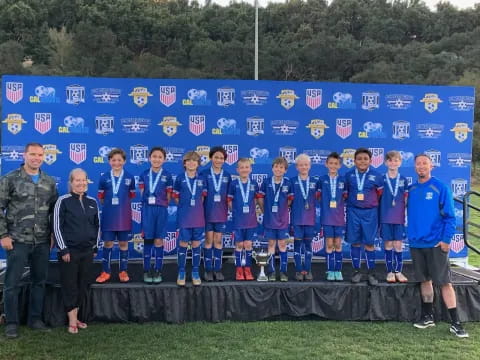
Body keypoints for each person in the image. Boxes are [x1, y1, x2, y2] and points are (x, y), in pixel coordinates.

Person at [0, 142, 58, 339]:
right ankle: (12, 322)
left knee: (39, 282)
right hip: (17, 240)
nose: (36, 158)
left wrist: (51, 235)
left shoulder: (49, 182)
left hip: (42, 241)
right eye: (32, 154)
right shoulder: (10, 179)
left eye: (40, 155)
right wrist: (3, 235)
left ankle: (35, 319)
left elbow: (53, 213)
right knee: (12, 283)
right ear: (24, 155)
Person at [408, 154, 468, 338]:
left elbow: (450, 217)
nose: (421, 166)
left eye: (425, 163)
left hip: (436, 244)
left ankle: (456, 323)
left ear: (431, 165)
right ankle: (427, 317)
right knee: (425, 281)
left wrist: (446, 240)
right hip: (417, 243)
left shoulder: (440, 187)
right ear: (415, 167)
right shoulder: (411, 189)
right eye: (418, 164)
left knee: (444, 282)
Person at [53, 168, 99, 334]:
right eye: (77, 180)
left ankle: (77, 317)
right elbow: (56, 226)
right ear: (71, 183)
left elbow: (97, 226)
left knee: (83, 285)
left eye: (83, 180)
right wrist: (63, 248)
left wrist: (95, 246)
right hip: (69, 252)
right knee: (70, 285)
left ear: (87, 181)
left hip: (87, 252)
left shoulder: (92, 201)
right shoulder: (63, 201)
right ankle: (71, 320)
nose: (81, 183)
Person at [95, 148, 136, 283]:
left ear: (124, 161)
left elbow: (131, 195)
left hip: (124, 217)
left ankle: (123, 270)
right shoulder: (104, 177)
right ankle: (105, 271)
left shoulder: (130, 177)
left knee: (123, 243)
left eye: (119, 160)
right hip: (108, 217)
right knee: (108, 243)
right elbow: (101, 198)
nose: (116, 162)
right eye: (113, 160)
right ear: (109, 161)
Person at [345, 148, 383, 285]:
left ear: (370, 161)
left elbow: (380, 195)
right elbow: (345, 193)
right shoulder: (349, 175)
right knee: (355, 242)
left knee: (369, 243)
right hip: (353, 211)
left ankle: (371, 272)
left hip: (370, 212)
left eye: (365, 159)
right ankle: (357, 271)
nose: (362, 161)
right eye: (359, 159)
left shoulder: (377, 176)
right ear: (354, 161)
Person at [138, 147, 173, 284]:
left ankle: (158, 270)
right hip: (148, 209)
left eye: (160, 157)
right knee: (147, 239)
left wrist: (161, 203)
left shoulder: (168, 175)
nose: (157, 159)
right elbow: (142, 193)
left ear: (164, 159)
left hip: (161, 210)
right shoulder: (144, 174)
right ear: (149, 158)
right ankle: (146, 270)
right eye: (154, 156)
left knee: (159, 240)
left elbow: (169, 196)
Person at [172, 151, 207, 286]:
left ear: (198, 164)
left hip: (198, 216)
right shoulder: (180, 178)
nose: (192, 163)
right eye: (189, 160)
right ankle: (181, 272)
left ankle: (195, 272)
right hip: (184, 216)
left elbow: (203, 197)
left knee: (197, 243)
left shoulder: (202, 179)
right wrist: (185, 207)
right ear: (184, 163)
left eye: (195, 161)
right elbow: (176, 197)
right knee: (183, 243)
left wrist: (195, 207)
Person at [257, 157, 293, 282]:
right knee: (271, 244)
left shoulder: (288, 183)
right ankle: (271, 272)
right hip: (269, 219)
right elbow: (260, 198)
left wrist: (283, 210)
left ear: (285, 170)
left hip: (282, 219)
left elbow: (289, 200)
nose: (278, 169)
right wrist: (264, 211)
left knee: (282, 244)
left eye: (281, 167)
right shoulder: (266, 182)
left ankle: (283, 272)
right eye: (276, 167)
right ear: (272, 168)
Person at [201, 147, 231, 282]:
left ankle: (217, 269)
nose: (218, 160)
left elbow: (230, 197)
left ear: (224, 160)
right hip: (207, 213)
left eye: (221, 158)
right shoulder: (204, 174)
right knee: (208, 241)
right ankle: (208, 270)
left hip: (221, 213)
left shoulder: (227, 175)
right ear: (211, 158)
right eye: (216, 157)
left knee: (218, 241)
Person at [228, 158, 260, 281]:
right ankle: (238, 270)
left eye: (247, 167)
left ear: (250, 169)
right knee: (239, 244)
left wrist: (251, 210)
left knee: (248, 244)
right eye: (242, 167)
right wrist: (235, 212)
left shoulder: (254, 184)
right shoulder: (234, 184)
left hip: (250, 220)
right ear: (237, 170)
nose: (244, 169)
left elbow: (256, 200)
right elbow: (229, 201)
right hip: (238, 220)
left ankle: (247, 269)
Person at [380, 151, 408, 283]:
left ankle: (398, 271)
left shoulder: (403, 180)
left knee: (398, 244)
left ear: (400, 163)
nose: (393, 163)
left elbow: (407, 199)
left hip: (399, 217)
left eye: (396, 160)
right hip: (385, 217)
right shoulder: (382, 179)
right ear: (386, 162)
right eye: (390, 160)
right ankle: (390, 271)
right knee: (388, 244)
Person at [290, 154, 319, 281]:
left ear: (310, 166)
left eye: (306, 164)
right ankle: (298, 271)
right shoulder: (291, 182)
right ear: (296, 167)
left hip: (310, 220)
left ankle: (307, 270)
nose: (303, 167)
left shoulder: (315, 182)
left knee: (308, 245)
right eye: (301, 165)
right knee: (297, 245)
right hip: (296, 219)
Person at [318, 152, 347, 281]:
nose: (333, 166)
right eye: (331, 163)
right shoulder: (322, 180)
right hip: (327, 217)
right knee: (329, 244)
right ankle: (330, 270)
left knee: (338, 244)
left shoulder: (343, 180)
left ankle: (338, 270)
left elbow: (346, 197)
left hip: (339, 217)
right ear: (326, 164)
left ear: (340, 165)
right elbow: (317, 197)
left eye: (336, 164)